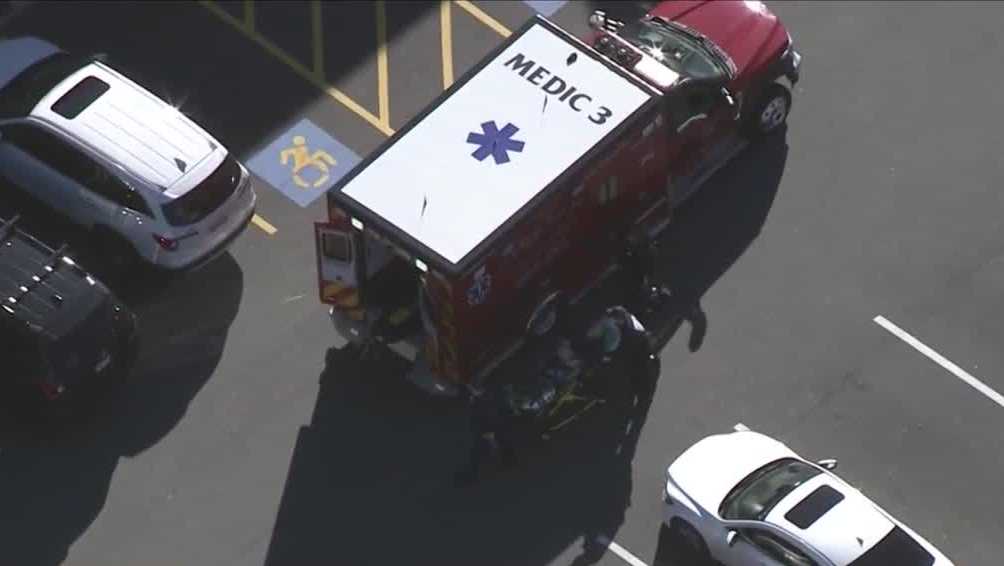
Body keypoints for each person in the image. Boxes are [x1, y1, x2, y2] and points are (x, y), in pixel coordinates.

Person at [454, 386, 518, 487]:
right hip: (490, 429)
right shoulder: (482, 401)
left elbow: (481, 419)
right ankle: (508, 460)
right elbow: (478, 419)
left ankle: (508, 460)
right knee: (481, 452)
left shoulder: (482, 401)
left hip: (490, 430)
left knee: (481, 452)